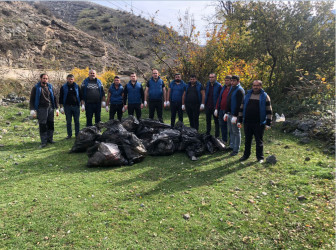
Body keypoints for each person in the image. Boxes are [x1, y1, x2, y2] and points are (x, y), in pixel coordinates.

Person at [238, 80, 273, 163]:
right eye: (254, 85)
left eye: (257, 85)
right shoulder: (247, 96)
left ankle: (260, 157)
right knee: (247, 140)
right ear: (252, 86)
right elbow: (241, 108)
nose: (255, 87)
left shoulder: (265, 96)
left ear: (260, 86)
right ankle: (246, 155)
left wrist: (268, 123)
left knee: (259, 141)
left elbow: (269, 110)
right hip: (247, 122)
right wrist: (239, 120)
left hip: (259, 123)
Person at [29, 73, 59, 148]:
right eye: (44, 78)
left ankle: (50, 139)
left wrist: (57, 108)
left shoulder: (50, 86)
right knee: (43, 125)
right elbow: (32, 99)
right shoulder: (36, 88)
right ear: (40, 79)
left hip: (50, 108)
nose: (45, 80)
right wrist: (32, 109)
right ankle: (43, 141)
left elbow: (54, 97)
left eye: (46, 78)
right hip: (41, 108)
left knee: (51, 124)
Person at [59, 74, 83, 139]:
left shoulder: (77, 86)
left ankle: (77, 134)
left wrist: (82, 105)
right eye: (69, 79)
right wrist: (61, 108)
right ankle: (69, 135)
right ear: (67, 79)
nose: (70, 80)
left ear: (73, 79)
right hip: (67, 107)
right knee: (68, 122)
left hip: (76, 106)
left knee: (77, 121)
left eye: (71, 79)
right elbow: (60, 97)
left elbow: (81, 96)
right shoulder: (63, 87)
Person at [226, 75, 245, 156]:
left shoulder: (240, 90)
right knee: (231, 131)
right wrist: (227, 112)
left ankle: (236, 149)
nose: (232, 82)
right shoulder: (232, 88)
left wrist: (236, 116)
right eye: (231, 81)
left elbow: (240, 104)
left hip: (235, 115)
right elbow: (229, 101)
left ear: (238, 81)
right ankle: (232, 145)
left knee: (236, 132)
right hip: (230, 113)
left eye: (234, 81)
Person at [214, 75, 232, 145]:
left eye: (228, 80)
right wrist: (216, 108)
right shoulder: (223, 88)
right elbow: (219, 98)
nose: (226, 82)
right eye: (225, 80)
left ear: (231, 81)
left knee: (230, 127)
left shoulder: (233, 89)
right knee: (222, 125)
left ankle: (231, 141)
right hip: (221, 109)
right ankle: (224, 140)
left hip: (229, 111)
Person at [204, 73, 221, 137]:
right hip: (208, 106)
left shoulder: (219, 86)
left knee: (216, 122)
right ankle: (207, 133)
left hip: (215, 107)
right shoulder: (207, 85)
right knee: (208, 121)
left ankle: (217, 135)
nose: (211, 79)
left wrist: (217, 107)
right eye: (210, 77)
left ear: (215, 78)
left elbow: (220, 97)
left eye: (212, 77)